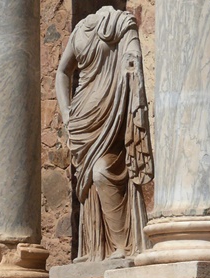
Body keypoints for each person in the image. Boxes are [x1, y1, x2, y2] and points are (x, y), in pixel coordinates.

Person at [55, 6, 153, 262]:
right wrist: (66, 115)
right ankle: (95, 249)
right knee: (87, 184)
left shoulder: (121, 22)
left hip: (112, 114)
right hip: (82, 118)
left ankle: (123, 244)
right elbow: (62, 72)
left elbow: (133, 53)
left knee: (102, 173)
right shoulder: (79, 30)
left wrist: (132, 65)